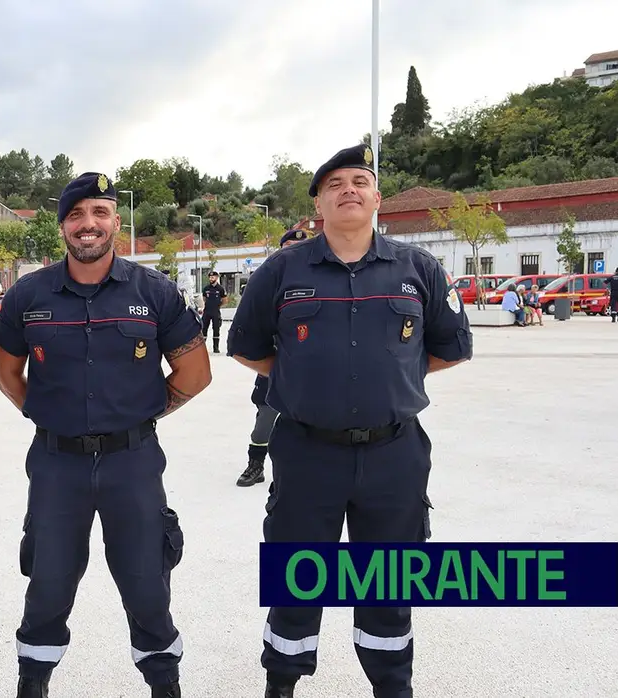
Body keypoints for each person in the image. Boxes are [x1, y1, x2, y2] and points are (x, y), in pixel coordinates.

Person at [226, 144, 473, 698]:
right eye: (335, 183)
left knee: (389, 580)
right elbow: (245, 347)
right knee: (298, 575)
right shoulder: (283, 269)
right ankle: (282, 683)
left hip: (395, 454)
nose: (349, 190)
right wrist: (302, 381)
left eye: (360, 180)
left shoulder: (419, 269)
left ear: (377, 197)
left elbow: (451, 347)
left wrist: (398, 378)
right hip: (307, 451)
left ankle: (391, 686)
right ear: (318, 202)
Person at [0, 172, 213, 698]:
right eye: (75, 215)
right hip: (55, 462)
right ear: (62, 225)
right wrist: (46, 414)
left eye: (99, 213)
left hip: (132, 463)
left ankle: (164, 682)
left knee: (145, 583)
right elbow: (6, 371)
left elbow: (195, 374)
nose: (87, 225)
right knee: (47, 582)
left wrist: (142, 416)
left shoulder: (153, 292)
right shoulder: (29, 294)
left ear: (116, 220)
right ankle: (33, 682)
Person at [235, 228, 311, 488]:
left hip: (314, 370)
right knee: (265, 419)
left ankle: (296, 473)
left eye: (299, 246)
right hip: (276, 365)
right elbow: (250, 331)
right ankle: (255, 465)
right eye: (288, 246)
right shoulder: (269, 281)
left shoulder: (322, 279)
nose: (294, 251)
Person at [200, 270, 227, 353]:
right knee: (204, 329)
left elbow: (225, 301)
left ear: (216, 278)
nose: (211, 278)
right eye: (210, 277)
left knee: (216, 329)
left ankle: (216, 348)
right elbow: (204, 299)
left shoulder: (220, 289)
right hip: (207, 312)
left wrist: (217, 305)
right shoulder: (206, 288)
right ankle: (202, 348)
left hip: (215, 312)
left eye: (213, 277)